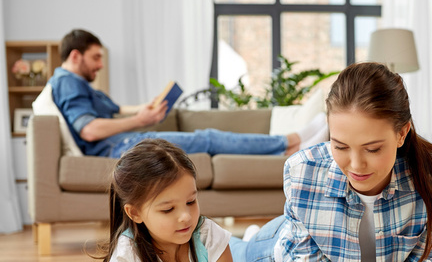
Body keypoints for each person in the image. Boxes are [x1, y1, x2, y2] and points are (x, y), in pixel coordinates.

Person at [228, 62, 432, 262]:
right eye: (339, 146)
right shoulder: (302, 169)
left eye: (372, 149)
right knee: (233, 254)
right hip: (284, 245)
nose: (356, 165)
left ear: (402, 133)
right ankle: (243, 235)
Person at [49, 29, 325, 158]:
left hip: (121, 142)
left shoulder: (78, 85)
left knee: (208, 137)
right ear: (76, 56)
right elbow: (89, 131)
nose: (100, 64)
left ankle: (290, 143)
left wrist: (146, 107)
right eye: (96, 57)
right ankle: (291, 142)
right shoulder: (68, 82)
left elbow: (115, 109)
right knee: (208, 138)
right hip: (120, 146)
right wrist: (141, 121)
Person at [95, 139, 264, 262]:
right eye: (168, 209)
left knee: (252, 256)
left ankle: (252, 237)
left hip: (229, 258)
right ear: (135, 213)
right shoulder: (129, 247)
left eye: (191, 201)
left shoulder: (210, 235)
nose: (185, 217)